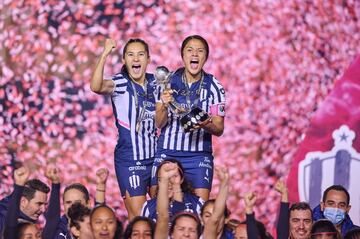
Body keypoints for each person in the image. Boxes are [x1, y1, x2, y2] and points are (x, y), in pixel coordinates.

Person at [153, 34, 226, 201]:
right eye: (190, 50)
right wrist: (163, 104)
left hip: (198, 157)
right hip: (167, 152)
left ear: (205, 57)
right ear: (182, 55)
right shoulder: (167, 81)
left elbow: (219, 128)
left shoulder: (215, 87)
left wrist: (204, 122)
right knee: (160, 207)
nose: (195, 54)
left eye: (200, 51)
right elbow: (159, 123)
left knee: (199, 209)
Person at [91, 38, 157, 219]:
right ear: (124, 60)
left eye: (141, 55)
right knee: (139, 219)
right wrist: (104, 54)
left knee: (163, 214)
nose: (136, 59)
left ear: (148, 60)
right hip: (130, 161)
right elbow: (96, 86)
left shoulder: (157, 82)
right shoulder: (120, 83)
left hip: (156, 159)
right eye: (130, 55)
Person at [52, 168, 108, 239]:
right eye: (68, 202)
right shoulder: (56, 226)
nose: (72, 206)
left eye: (77, 202)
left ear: (88, 203)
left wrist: (101, 185)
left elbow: (99, 212)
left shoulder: (93, 225)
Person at [154, 162, 202, 239]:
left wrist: (176, 185)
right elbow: (162, 217)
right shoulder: (149, 206)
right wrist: (164, 181)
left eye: (192, 230)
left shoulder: (197, 203)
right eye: (181, 229)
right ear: (171, 234)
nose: (186, 234)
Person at [0, 167, 50, 237]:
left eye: (45, 204)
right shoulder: (2, 220)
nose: (43, 209)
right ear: (23, 201)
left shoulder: (26, 218)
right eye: (39, 204)